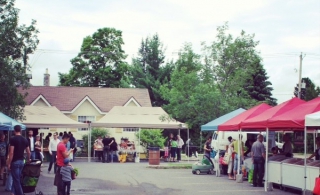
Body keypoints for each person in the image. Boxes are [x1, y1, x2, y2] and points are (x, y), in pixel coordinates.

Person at [7, 125, 31, 195]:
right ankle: (13, 192)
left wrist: (9, 163)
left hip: (15, 162)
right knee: (17, 179)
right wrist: (28, 159)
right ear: (20, 130)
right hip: (22, 161)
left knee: (16, 180)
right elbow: (28, 152)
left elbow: (11, 152)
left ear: (14, 131)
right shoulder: (25, 139)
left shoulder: (13, 139)